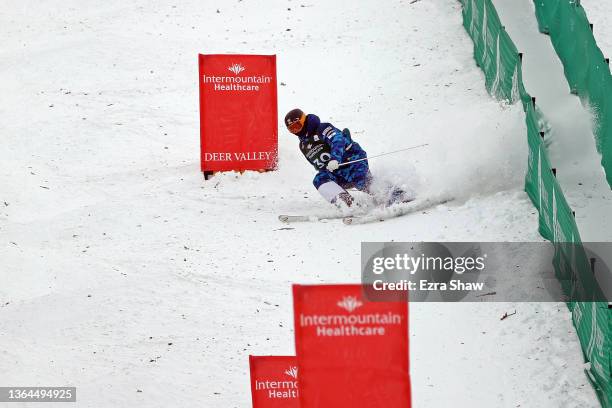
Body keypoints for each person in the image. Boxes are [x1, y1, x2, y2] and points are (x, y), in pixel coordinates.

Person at [284, 108, 377, 207]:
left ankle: (388, 194)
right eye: (292, 129)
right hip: (337, 172)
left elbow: (338, 140)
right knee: (319, 179)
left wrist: (335, 159)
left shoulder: (322, 128)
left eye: (297, 126)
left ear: (304, 120)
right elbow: (317, 164)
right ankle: (348, 204)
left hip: (351, 162)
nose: (296, 131)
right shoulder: (303, 145)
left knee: (361, 182)